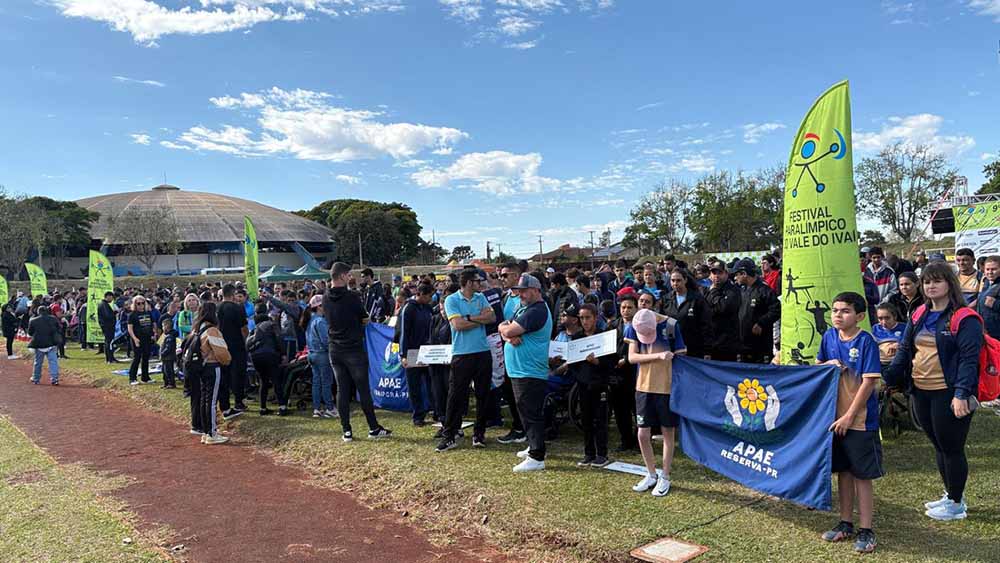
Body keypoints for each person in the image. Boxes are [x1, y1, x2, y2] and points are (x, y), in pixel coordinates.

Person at [885, 261, 982, 522]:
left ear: (950, 283)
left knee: (951, 448)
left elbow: (969, 360)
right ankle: (950, 493)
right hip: (921, 391)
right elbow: (905, 351)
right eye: (927, 281)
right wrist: (888, 378)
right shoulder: (918, 314)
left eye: (937, 280)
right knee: (938, 446)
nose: (931, 285)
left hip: (948, 393)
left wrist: (961, 394)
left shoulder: (965, 318)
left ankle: (957, 503)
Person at [816, 292, 883, 553]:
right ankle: (845, 523)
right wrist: (827, 364)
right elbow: (818, 365)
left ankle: (867, 530)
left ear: (860, 316)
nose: (838, 315)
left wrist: (849, 416)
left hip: (859, 421)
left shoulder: (866, 341)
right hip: (834, 419)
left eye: (844, 311)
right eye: (834, 310)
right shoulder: (828, 337)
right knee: (843, 472)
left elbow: (869, 382)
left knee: (861, 475)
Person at [324, 262, 391, 442]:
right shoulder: (353, 297)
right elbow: (364, 318)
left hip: (334, 349)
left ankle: (346, 431)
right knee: (363, 389)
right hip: (353, 349)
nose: (351, 278)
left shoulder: (324, 296)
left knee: (342, 389)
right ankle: (373, 428)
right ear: (341, 276)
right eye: (348, 275)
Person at [626, 308, 686, 497]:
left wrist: (671, 358)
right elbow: (632, 357)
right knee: (643, 433)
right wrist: (658, 356)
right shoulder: (634, 325)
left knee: (668, 432)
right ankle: (651, 473)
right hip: (643, 387)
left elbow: (682, 354)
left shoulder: (671, 325)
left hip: (667, 388)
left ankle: (665, 476)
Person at [436, 269, 496, 452]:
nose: (481, 284)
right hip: (462, 354)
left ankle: (479, 433)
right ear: (469, 282)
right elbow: (457, 325)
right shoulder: (451, 300)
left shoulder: (481, 297)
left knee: (483, 394)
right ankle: (450, 434)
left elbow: (492, 317)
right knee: (456, 395)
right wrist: (479, 319)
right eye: (478, 281)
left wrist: (469, 317)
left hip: (482, 352)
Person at [499, 273, 553, 472]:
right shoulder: (525, 308)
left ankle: (537, 456)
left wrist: (508, 333)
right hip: (520, 370)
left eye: (524, 291)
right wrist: (508, 333)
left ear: (536, 290)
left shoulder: (536, 310)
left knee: (531, 413)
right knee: (525, 410)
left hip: (529, 371)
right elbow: (503, 326)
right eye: (519, 291)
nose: (520, 294)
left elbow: (508, 330)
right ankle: (533, 444)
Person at [572, 303, 615, 467]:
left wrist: (597, 362)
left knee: (600, 420)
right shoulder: (576, 338)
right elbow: (573, 364)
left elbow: (611, 363)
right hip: (583, 386)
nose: (584, 321)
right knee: (586, 419)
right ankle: (588, 453)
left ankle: (602, 454)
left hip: (600, 385)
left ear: (595, 318)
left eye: (587, 317)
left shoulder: (604, 337)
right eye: (581, 318)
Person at [185, 302, 232, 445]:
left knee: (205, 400)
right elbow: (222, 353)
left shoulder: (197, 329)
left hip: (201, 368)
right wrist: (227, 361)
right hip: (212, 367)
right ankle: (212, 433)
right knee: (211, 401)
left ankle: (206, 432)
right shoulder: (212, 330)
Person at [399, 283, 435, 426]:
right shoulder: (408, 308)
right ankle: (418, 416)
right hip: (412, 351)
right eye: (428, 296)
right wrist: (403, 354)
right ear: (420, 294)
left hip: (427, 350)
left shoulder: (428, 308)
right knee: (414, 386)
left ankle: (435, 411)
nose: (430, 299)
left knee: (431, 382)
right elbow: (404, 332)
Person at [734, 259, 781, 364]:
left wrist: (761, 323)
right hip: (744, 346)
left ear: (744, 274)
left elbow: (776, 309)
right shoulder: (742, 291)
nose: (735, 278)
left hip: (761, 347)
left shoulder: (764, 290)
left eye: (737, 275)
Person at [662, 268, 712, 359]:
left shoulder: (697, 299)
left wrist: (707, 350)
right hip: (672, 348)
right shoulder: (666, 299)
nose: (675, 283)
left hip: (694, 348)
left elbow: (706, 325)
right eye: (672, 280)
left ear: (685, 280)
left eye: (678, 280)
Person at [248, 304, 289, 416]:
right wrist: (284, 353)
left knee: (263, 381)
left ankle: (262, 408)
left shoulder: (254, 328)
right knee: (276, 380)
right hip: (270, 354)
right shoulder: (271, 325)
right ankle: (282, 407)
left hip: (256, 357)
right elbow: (279, 339)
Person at [217, 284, 249, 420]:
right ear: (233, 294)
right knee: (238, 374)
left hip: (221, 345)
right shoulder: (238, 308)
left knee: (223, 375)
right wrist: (246, 340)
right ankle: (238, 402)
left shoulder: (217, 308)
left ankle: (224, 405)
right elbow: (244, 328)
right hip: (236, 345)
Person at [429, 283, 458, 425]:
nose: (443, 312)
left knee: (450, 392)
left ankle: (452, 421)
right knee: (437, 391)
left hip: (451, 363)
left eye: (445, 309)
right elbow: (430, 339)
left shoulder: (455, 322)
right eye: (441, 309)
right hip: (436, 363)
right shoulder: (435, 320)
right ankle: (442, 419)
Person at [705, 260, 741, 361]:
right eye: (714, 272)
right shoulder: (707, 291)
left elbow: (723, 308)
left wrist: (714, 291)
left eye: (720, 272)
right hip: (711, 342)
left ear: (726, 273)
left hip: (727, 344)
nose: (716, 275)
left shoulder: (733, 290)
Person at [27, 304, 62, 385]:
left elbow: (30, 333)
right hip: (51, 343)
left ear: (39, 312)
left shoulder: (33, 320)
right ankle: (54, 379)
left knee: (38, 362)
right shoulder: (53, 319)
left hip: (39, 344)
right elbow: (59, 328)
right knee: (53, 362)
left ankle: (36, 379)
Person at [127, 296, 155, 385]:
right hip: (137, 338)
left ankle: (145, 377)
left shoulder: (148, 313)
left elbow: (152, 324)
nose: (141, 305)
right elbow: (130, 329)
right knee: (137, 357)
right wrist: (135, 339)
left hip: (147, 338)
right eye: (138, 303)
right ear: (135, 304)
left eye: (143, 303)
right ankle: (132, 378)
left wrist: (154, 334)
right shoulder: (132, 315)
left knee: (146, 357)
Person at [872, 304, 904, 371]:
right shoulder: (875, 329)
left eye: (887, 318)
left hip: (900, 364)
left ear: (894, 316)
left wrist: (900, 345)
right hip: (881, 365)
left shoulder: (905, 328)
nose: (884, 322)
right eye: (880, 318)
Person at [976, 255, 1000, 338]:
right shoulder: (986, 282)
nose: (990, 272)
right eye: (987, 269)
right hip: (986, 331)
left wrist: (996, 304)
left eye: (994, 269)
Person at [97, 291, 118, 363]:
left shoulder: (103, 304)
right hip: (107, 326)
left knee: (108, 342)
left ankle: (110, 357)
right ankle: (109, 358)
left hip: (107, 325)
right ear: (108, 296)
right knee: (109, 342)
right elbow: (108, 316)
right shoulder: (104, 305)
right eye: (112, 297)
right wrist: (114, 313)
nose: (112, 299)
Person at [160, 317, 178, 389]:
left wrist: (162, 353)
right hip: (165, 358)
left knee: (168, 371)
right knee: (164, 370)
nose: (162, 328)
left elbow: (169, 348)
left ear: (167, 326)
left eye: (163, 326)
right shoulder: (166, 336)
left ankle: (171, 383)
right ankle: (166, 383)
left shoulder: (170, 336)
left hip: (168, 357)